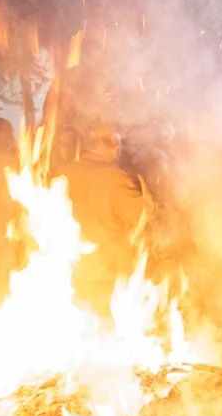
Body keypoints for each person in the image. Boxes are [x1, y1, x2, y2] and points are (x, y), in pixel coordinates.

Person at [54, 124, 152, 306]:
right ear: (101, 144)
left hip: (67, 263)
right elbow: (141, 217)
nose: (118, 149)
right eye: (115, 143)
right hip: (105, 266)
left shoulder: (63, 173)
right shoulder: (116, 178)